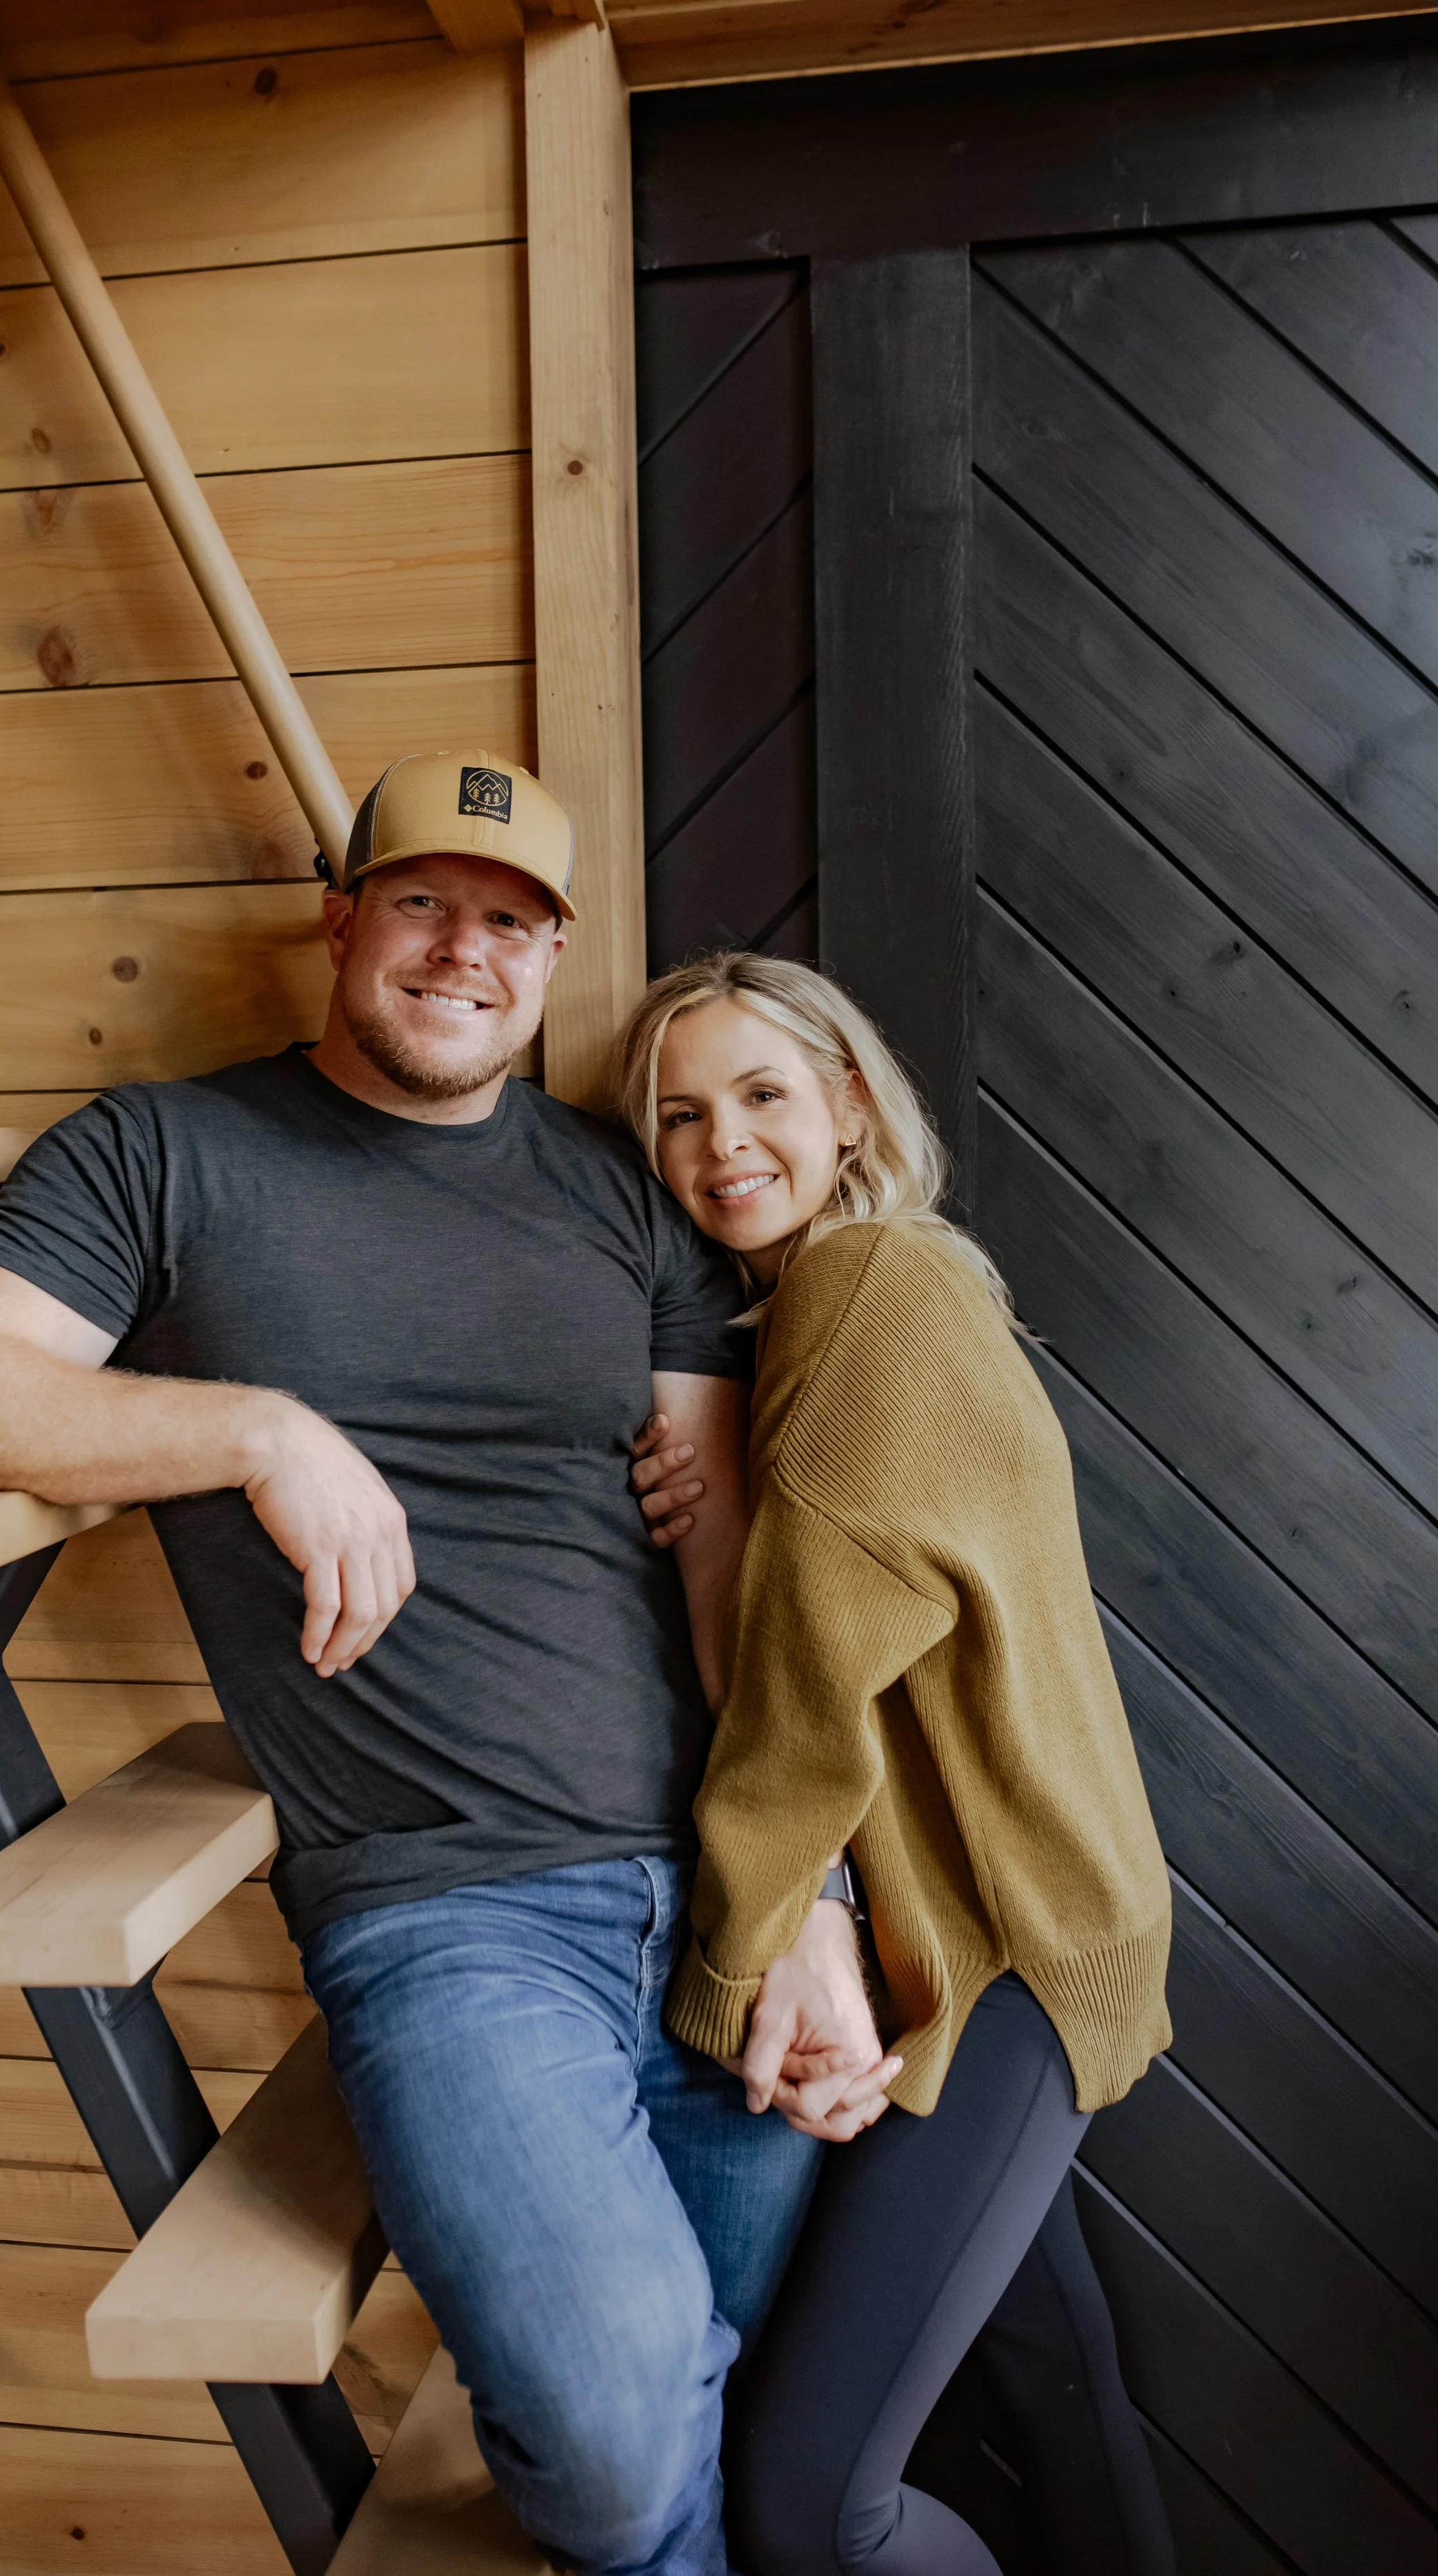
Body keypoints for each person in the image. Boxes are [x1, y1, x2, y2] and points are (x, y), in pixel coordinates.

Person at [0, 754, 828, 2576]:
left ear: (549, 962)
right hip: (452, 1912)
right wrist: (257, 1427)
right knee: (617, 2444)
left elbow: (723, 1558)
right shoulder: (164, 1153)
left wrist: (798, 1888)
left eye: (512, 921)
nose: (467, 951)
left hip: (715, 1881)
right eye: (426, 903)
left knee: (745, 2401)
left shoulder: (628, 1187)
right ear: (341, 916)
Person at [617, 952, 1178, 2576]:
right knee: (1047, 2376)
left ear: (850, 1100)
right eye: (676, 1116)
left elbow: (804, 1673)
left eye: (763, 1094)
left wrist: (735, 1958)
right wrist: (722, 1495)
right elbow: (816, 1593)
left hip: (999, 1941)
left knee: (804, 2508)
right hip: (1026, 1909)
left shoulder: (865, 1284)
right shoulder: (840, 1299)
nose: (721, 1142)